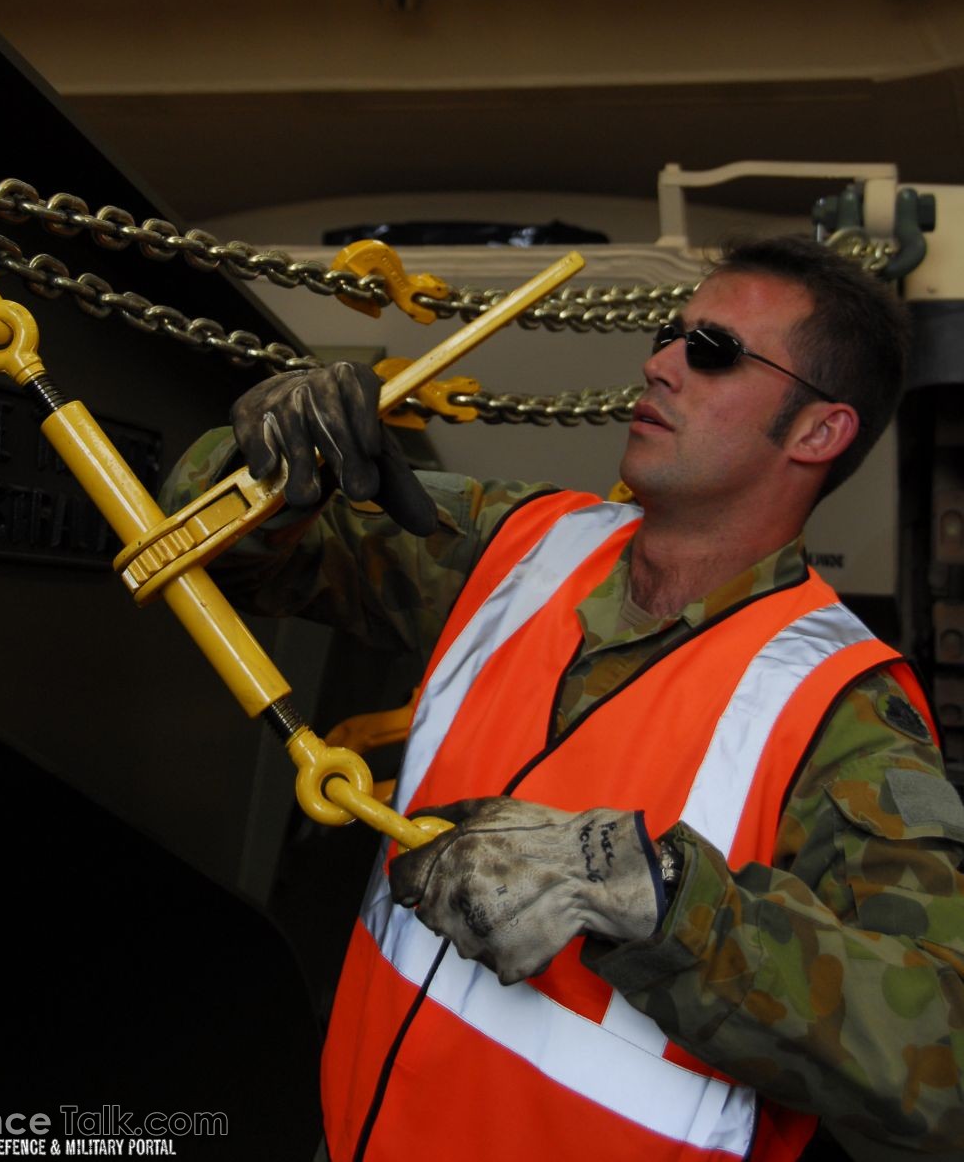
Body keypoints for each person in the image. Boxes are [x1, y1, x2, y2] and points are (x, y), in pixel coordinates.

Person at [162, 236, 964, 1161]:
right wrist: (268, 453)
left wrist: (662, 902)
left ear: (818, 432)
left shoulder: (842, 714)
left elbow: (940, 1054)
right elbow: (229, 546)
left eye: (711, 351)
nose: (658, 363)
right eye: (671, 334)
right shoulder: (520, 546)